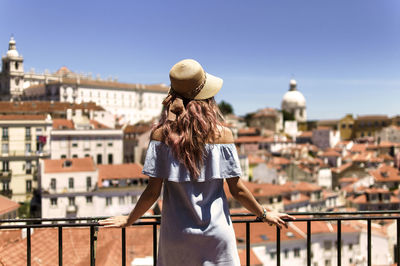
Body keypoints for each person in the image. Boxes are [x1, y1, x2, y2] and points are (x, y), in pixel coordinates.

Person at [99, 59, 295, 265]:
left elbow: (152, 192)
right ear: (208, 97)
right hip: (216, 235)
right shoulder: (223, 135)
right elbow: (237, 190)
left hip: (177, 235)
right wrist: (265, 214)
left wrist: (129, 220)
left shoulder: (160, 136)